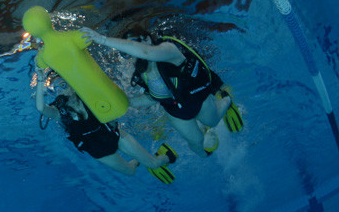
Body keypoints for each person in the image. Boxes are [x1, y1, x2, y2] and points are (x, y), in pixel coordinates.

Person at [82, 29, 243, 157]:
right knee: (196, 141)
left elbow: (146, 52)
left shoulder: (168, 50)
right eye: (127, 50)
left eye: (134, 43)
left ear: (147, 39)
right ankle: (205, 155)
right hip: (177, 112)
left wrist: (101, 39)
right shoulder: (142, 71)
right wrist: (129, 102)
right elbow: (156, 97)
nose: (132, 52)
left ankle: (226, 100)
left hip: (199, 99)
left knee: (212, 122)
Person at [34, 65, 176, 182]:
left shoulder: (87, 96)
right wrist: (40, 80)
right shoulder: (60, 114)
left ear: (71, 84)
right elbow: (40, 108)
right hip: (100, 151)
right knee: (130, 171)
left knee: (154, 164)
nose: (60, 91)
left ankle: (166, 156)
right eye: (56, 88)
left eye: (63, 85)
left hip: (115, 135)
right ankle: (138, 160)